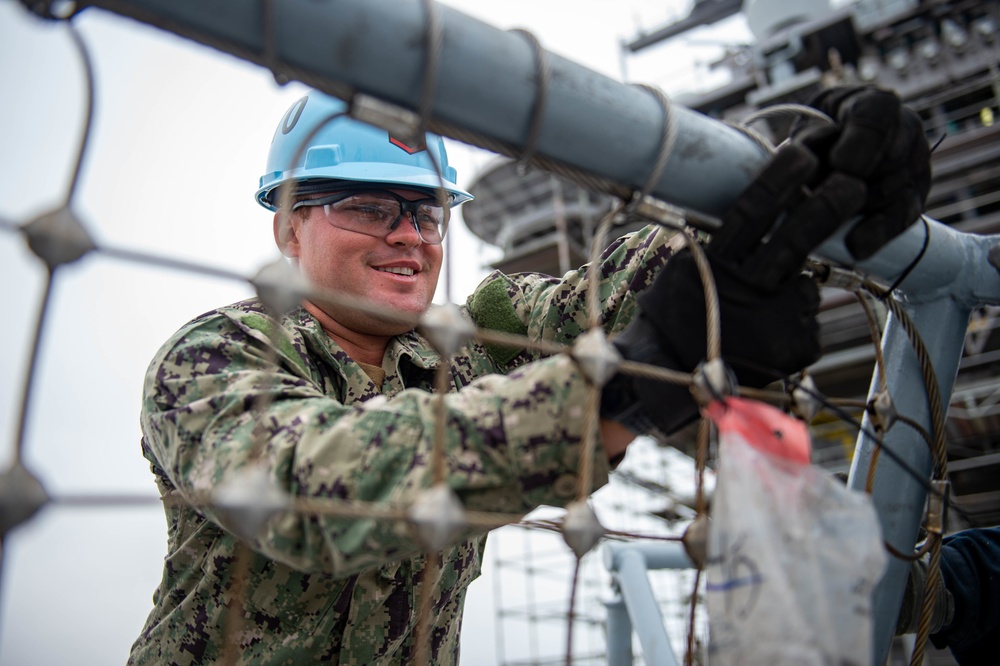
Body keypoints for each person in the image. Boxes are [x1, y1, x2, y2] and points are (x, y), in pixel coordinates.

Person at [129, 86, 929, 664]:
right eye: (369, 207)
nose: (409, 236)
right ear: (289, 224)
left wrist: (792, 160)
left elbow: (616, 297)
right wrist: (620, 386)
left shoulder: (472, 343)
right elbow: (310, 490)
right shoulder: (216, 356)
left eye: (427, 212)